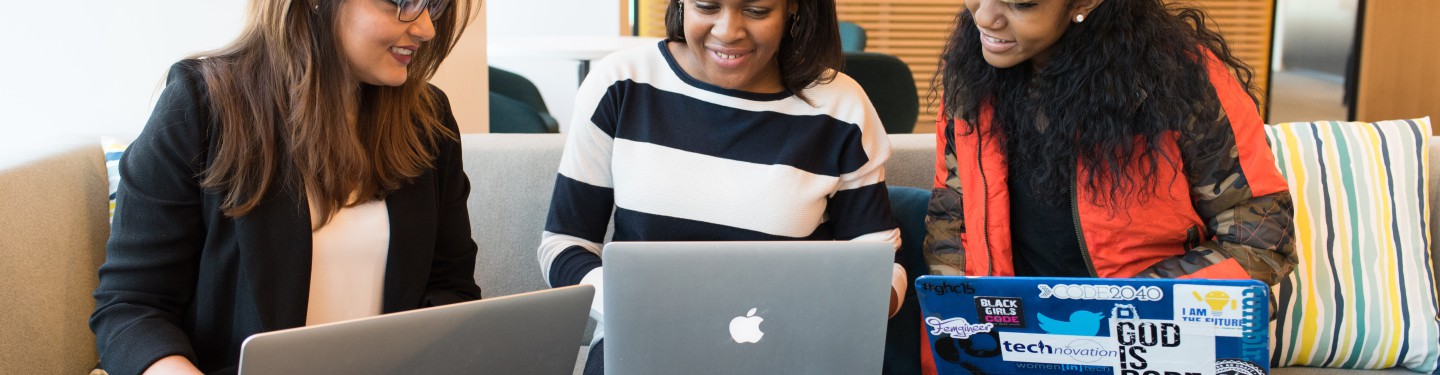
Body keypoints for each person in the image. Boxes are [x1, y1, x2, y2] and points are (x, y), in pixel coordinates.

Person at [89, 1, 479, 374]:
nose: (426, 28)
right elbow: (130, 308)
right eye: (404, 1)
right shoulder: (202, 104)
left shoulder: (428, 121)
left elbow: (451, 289)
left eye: (435, 4)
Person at [921, 0, 1297, 371]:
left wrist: (1123, 305)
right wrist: (961, 338)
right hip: (1015, 346)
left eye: (1022, 4)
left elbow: (1259, 238)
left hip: (1147, 344)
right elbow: (952, 223)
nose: (984, 16)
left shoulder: (1183, 80)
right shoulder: (971, 78)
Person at [537, 0, 908, 373]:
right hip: (639, 350)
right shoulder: (621, 83)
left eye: (757, 10)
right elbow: (563, 245)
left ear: (792, 7)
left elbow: (881, 265)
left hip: (788, 356)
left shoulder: (839, 107)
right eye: (707, 6)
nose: (728, 31)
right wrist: (632, 306)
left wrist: (852, 308)